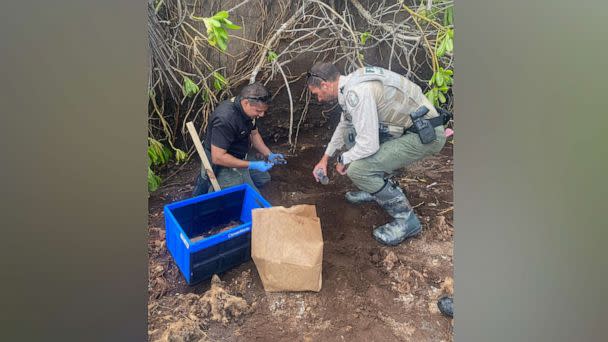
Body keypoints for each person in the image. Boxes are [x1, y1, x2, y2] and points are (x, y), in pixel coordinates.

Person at [307, 62, 450, 246]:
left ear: (325, 85)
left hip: (425, 135)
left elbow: (369, 145)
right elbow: (345, 124)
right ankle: (375, 189)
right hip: (413, 128)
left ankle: (407, 221)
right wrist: (324, 159)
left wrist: (344, 159)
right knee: (350, 135)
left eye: (316, 94)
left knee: (358, 170)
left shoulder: (357, 93)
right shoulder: (351, 85)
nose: (318, 99)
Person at [192, 83, 285, 196]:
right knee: (251, 198)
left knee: (263, 179)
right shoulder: (225, 119)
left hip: (240, 154)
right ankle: (218, 189)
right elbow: (218, 158)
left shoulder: (249, 113)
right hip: (221, 163)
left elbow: (254, 134)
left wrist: (269, 154)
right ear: (246, 103)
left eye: (264, 111)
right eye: (258, 111)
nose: (262, 115)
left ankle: (243, 181)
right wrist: (251, 165)